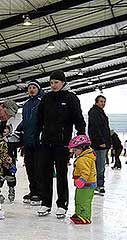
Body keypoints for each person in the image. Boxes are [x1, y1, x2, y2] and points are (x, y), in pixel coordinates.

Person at [37, 70, 86, 219]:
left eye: (56, 82)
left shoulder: (71, 98)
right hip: (46, 141)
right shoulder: (46, 98)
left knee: (61, 174)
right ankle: (45, 203)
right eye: (51, 83)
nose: (53, 85)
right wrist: (36, 135)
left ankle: (62, 204)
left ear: (63, 82)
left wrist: (81, 136)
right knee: (45, 173)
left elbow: (78, 118)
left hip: (62, 143)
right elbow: (39, 118)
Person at [16, 79, 43, 206]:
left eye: (34, 87)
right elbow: (25, 121)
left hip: (38, 141)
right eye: (30, 88)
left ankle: (39, 192)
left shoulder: (42, 102)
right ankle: (33, 191)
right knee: (30, 168)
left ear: (38, 89)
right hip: (27, 141)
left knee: (39, 168)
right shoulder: (26, 104)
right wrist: (17, 130)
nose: (31, 89)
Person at [68, 135, 96, 224]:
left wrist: (82, 181)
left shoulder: (84, 159)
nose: (74, 152)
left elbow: (86, 172)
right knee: (79, 199)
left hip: (87, 184)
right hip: (83, 184)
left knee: (84, 201)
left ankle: (85, 217)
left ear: (82, 148)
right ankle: (79, 214)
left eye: (75, 150)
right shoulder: (83, 157)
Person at [87, 95, 111, 195]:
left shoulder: (100, 112)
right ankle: (98, 185)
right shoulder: (95, 112)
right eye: (101, 101)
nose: (103, 103)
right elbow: (95, 129)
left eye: (104, 101)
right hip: (98, 145)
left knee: (100, 166)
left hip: (103, 144)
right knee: (99, 166)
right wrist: (100, 141)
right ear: (96, 102)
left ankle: (98, 184)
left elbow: (105, 129)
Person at [0, 125, 18, 204]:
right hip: (0, 162)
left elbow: (15, 148)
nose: (5, 130)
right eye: (3, 128)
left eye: (6, 128)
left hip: (10, 162)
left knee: (11, 177)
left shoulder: (12, 139)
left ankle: (11, 190)